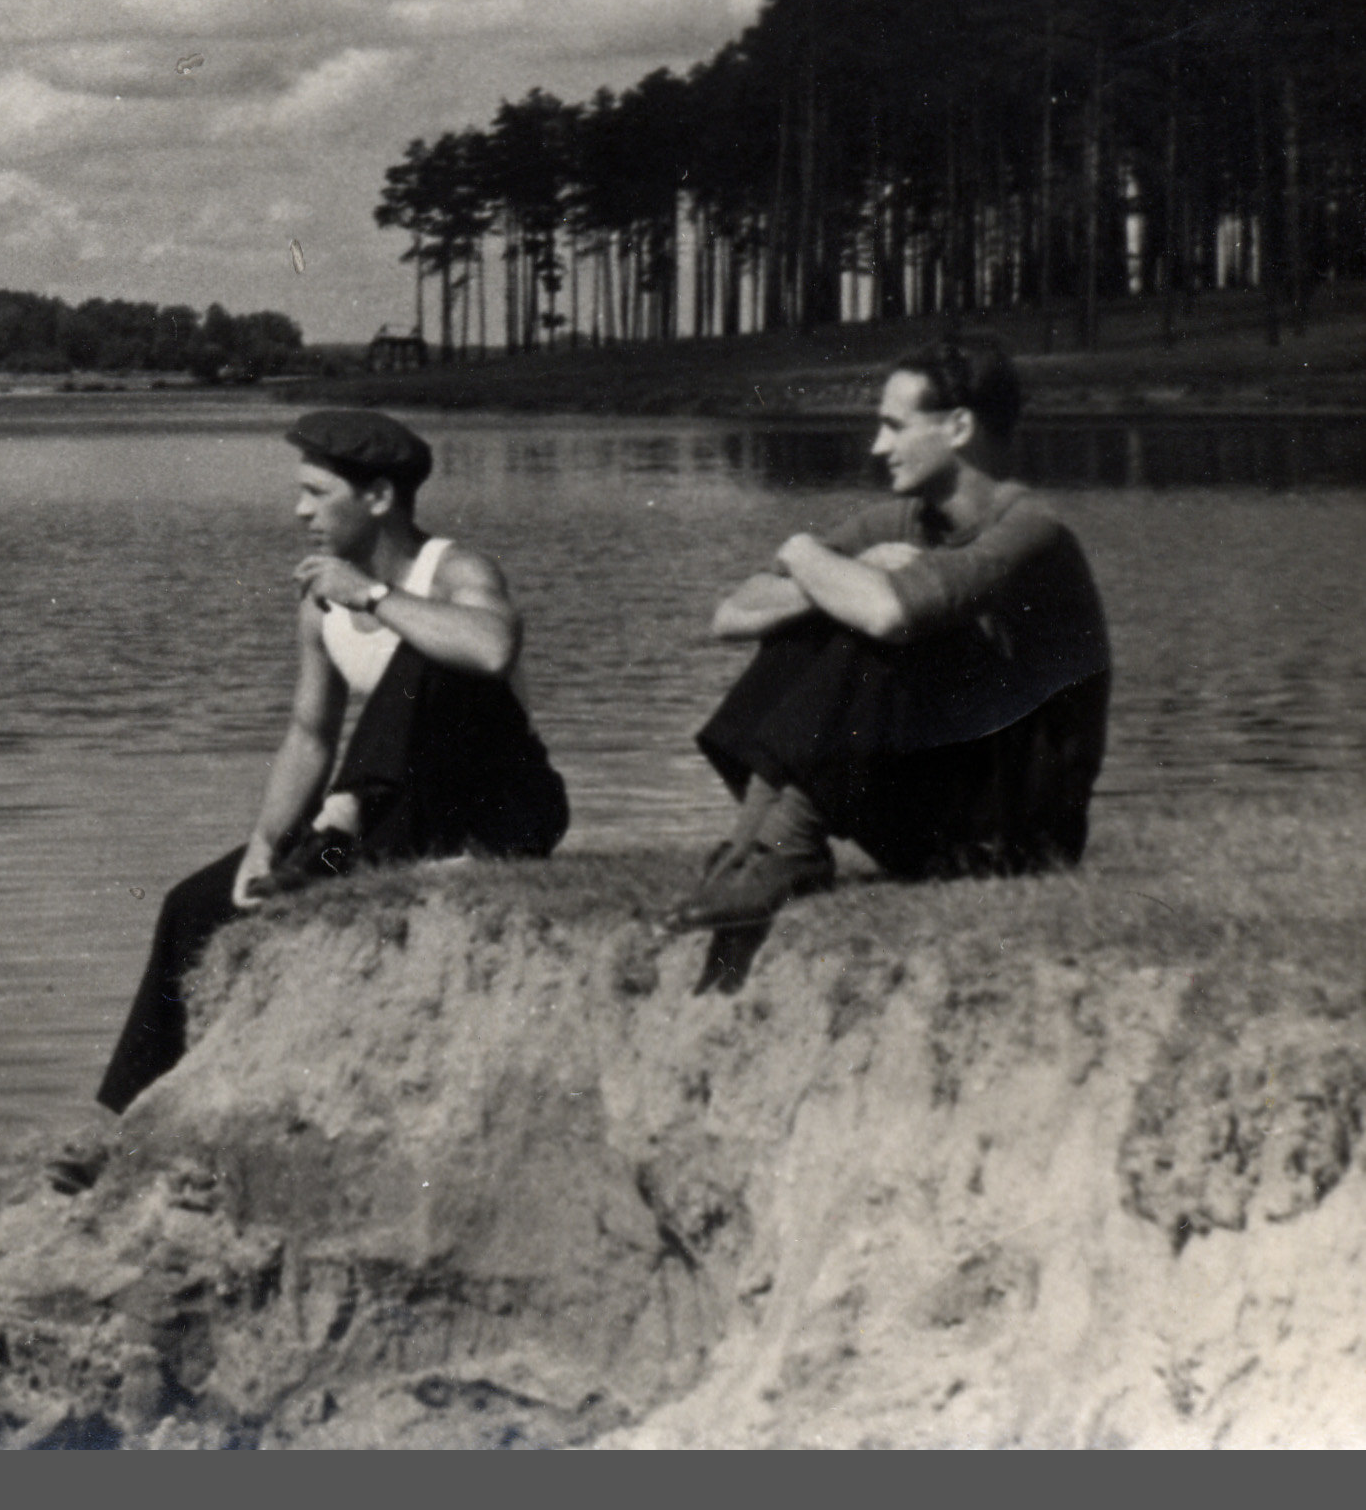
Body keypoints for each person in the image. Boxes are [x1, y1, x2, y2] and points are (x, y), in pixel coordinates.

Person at [91, 408, 568, 1112]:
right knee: (193, 905)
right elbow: (309, 734)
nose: (298, 511)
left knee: (428, 647)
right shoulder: (321, 601)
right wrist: (262, 844)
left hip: (497, 805)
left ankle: (338, 831)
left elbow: (493, 650)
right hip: (393, 808)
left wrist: (374, 595)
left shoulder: (456, 570)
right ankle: (127, 1120)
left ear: (376, 498)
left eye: (317, 494)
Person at [665, 334, 1112, 935]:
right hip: (940, 814)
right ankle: (751, 850)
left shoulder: (1031, 532)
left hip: (1022, 834)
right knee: (816, 608)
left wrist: (802, 553)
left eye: (894, 426)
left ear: (957, 427)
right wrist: (824, 580)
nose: (879, 447)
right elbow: (731, 615)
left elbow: (888, 617)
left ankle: (786, 847)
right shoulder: (903, 520)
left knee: (882, 621)